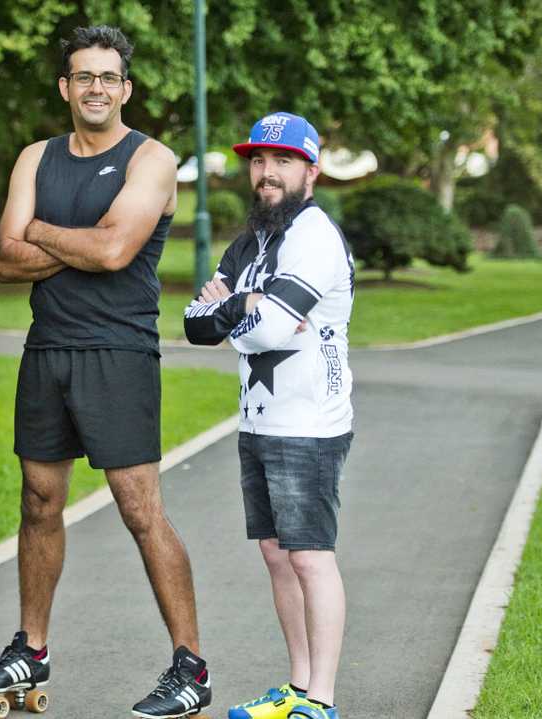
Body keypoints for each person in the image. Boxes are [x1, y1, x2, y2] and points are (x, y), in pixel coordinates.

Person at [0, 25, 211, 719]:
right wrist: (69, 238)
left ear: (125, 89)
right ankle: (31, 649)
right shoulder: (35, 158)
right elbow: (5, 262)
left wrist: (40, 229)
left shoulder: (153, 159)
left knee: (140, 509)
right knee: (38, 501)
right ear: (65, 87)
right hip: (48, 350)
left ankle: (191, 664)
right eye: (84, 76)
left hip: (119, 352)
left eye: (109, 77)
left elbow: (112, 253)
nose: (96, 88)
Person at [183, 112, 355, 719]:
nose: (266, 172)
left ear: (311, 169)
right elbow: (191, 324)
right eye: (258, 160)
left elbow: (276, 325)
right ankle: (298, 685)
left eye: (282, 161)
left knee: (310, 556)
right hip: (258, 422)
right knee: (277, 556)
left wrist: (232, 309)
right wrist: (244, 305)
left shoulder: (313, 235)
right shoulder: (251, 240)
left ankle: (322, 701)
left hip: (308, 424)